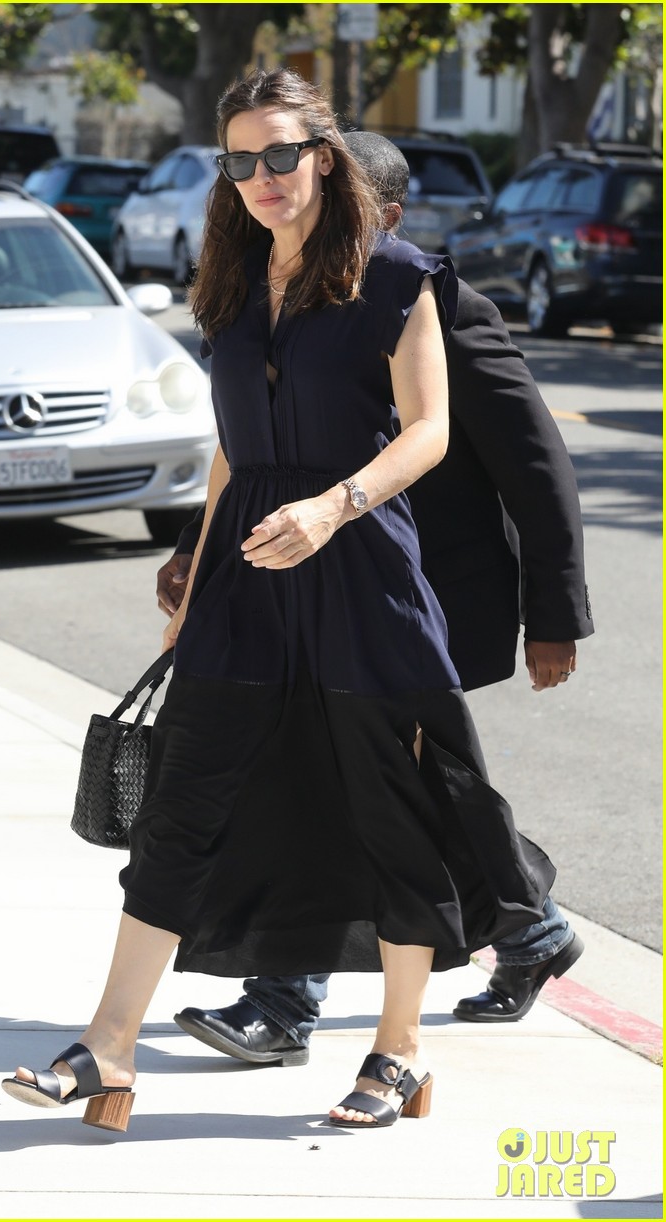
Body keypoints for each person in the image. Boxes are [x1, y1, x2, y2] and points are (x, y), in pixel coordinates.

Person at [3, 68, 555, 1133]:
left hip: (362, 574)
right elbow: (229, 453)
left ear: (323, 157)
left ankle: (397, 1052)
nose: (261, 176)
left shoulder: (396, 277)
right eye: (241, 159)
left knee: (393, 814)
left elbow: (431, 430)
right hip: (245, 584)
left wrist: (334, 507)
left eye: (280, 154)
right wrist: (191, 577)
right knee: (180, 811)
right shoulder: (226, 282)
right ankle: (108, 1044)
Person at [161, 131, 591, 1069]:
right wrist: (197, 556)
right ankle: (521, 932)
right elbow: (250, 445)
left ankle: (288, 995)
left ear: (382, 218)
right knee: (342, 781)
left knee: (392, 787)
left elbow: (537, 464)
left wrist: (552, 614)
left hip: (411, 600)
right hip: (296, 592)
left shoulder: (436, 307)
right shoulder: (278, 304)